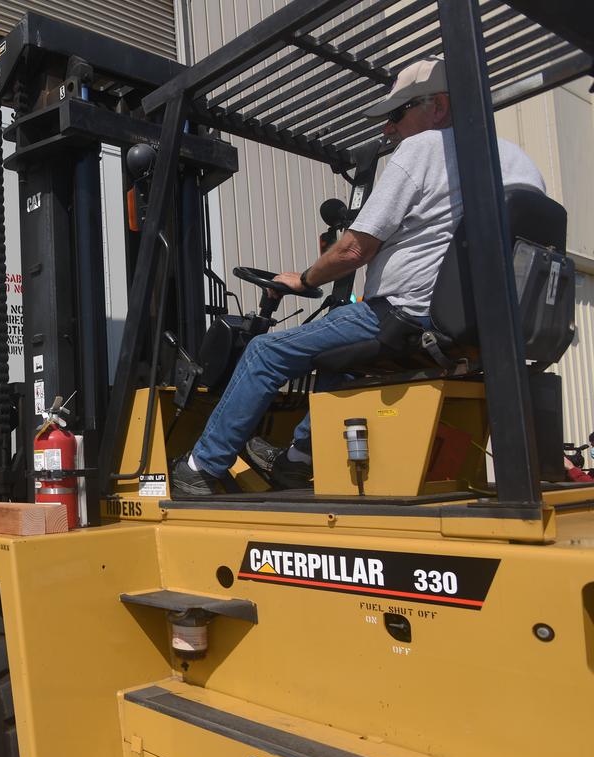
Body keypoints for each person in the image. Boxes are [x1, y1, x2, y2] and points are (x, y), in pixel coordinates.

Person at [171, 58, 546, 497]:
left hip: (407, 313)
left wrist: (306, 279)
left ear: (438, 107)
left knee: (263, 351)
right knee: (342, 363)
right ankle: (296, 461)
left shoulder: (426, 148)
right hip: (482, 328)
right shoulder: (519, 164)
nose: (388, 129)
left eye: (396, 114)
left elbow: (352, 249)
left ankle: (199, 466)